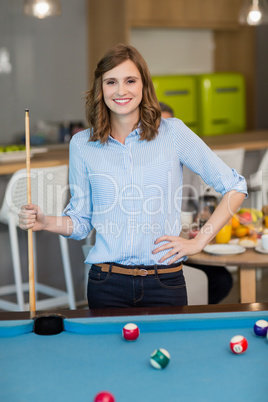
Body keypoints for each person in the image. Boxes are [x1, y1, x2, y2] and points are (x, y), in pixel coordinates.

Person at [19, 44, 247, 309]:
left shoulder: (172, 133)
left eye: (130, 80)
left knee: (166, 352)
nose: (121, 91)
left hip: (165, 282)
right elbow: (81, 222)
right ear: (100, 88)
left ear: (144, 85)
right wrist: (45, 222)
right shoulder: (81, 144)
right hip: (106, 284)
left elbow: (235, 187)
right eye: (111, 82)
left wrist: (199, 241)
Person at [159, 102, 234, 304]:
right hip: (162, 251)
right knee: (219, 279)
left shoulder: (189, 163)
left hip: (187, 241)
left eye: (170, 126)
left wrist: (205, 215)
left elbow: (204, 200)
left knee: (222, 279)